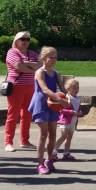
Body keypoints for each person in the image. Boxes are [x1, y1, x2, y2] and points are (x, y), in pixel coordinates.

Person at [27, 46, 67, 174]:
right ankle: (39, 164)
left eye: (55, 57)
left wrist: (69, 99)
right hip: (41, 104)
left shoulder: (56, 74)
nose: (54, 60)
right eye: (51, 57)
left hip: (54, 105)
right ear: (43, 58)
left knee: (53, 134)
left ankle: (49, 160)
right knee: (43, 134)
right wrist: (58, 98)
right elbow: (44, 89)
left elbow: (63, 89)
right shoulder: (40, 72)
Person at [3, 32, 41, 152]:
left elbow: (41, 65)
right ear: (16, 41)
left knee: (27, 114)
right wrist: (32, 67)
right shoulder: (12, 52)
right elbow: (19, 67)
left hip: (31, 86)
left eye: (27, 39)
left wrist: (27, 63)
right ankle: (8, 142)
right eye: (22, 39)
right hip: (16, 87)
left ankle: (25, 140)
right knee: (13, 115)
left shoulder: (32, 53)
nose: (25, 41)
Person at [55, 78, 83, 161]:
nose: (76, 89)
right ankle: (54, 151)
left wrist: (80, 111)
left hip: (73, 120)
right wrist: (71, 112)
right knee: (64, 135)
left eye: (77, 87)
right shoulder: (66, 98)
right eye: (74, 88)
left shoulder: (77, 98)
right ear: (68, 89)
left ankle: (66, 153)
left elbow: (79, 107)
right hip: (65, 120)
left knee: (69, 137)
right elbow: (61, 109)